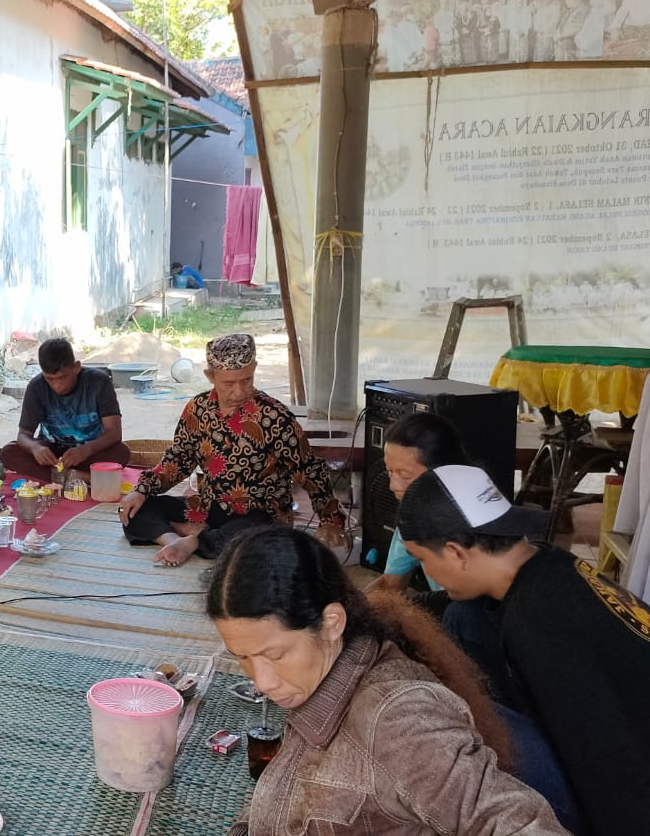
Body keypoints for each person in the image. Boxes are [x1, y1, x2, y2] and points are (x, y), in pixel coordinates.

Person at [399, 466, 650, 836]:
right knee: (462, 617)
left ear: (456, 552)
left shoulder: (540, 625)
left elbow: (613, 764)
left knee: (454, 721)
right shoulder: (548, 565)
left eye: (422, 559)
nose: (424, 569)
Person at [207, 527, 567, 835]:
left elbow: (514, 821)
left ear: (332, 623)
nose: (262, 682)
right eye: (243, 657)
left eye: (275, 655)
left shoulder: (396, 719)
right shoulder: (327, 677)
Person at [119, 334, 344, 567]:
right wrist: (141, 490)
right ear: (210, 376)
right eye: (229, 383)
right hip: (210, 508)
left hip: (258, 516)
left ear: (254, 368)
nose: (238, 392)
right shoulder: (197, 410)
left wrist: (331, 520)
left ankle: (195, 539)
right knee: (135, 509)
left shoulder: (275, 417)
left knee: (257, 536)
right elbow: (178, 459)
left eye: (246, 381)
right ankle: (175, 539)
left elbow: (309, 470)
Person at [365, 411, 469, 611]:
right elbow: (390, 585)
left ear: (442, 470)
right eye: (389, 472)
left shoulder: (474, 515)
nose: (392, 486)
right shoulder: (412, 516)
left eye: (404, 475)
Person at [0, 338, 129, 482]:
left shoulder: (99, 382)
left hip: (90, 452)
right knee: (9, 453)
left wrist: (86, 450)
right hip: (51, 455)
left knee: (121, 452)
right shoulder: (36, 387)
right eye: (50, 379)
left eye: (62, 377)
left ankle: (57, 475)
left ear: (76, 367)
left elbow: (114, 433)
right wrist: (36, 448)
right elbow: (23, 436)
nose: (57, 386)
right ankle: (79, 477)